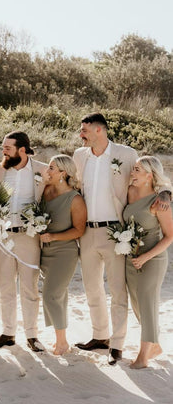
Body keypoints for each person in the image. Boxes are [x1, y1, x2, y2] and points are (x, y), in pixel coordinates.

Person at [73, 112, 170, 365]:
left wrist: (167, 192)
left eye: (84, 130)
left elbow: (151, 173)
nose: (80, 134)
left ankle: (117, 345)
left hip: (116, 232)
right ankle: (100, 337)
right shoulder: (79, 156)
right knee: (92, 287)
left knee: (117, 290)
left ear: (99, 130)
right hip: (86, 232)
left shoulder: (126, 155)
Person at [0, 131, 47, 352]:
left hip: (29, 237)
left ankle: (32, 335)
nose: (3, 151)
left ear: (22, 150)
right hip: (3, 236)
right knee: (4, 286)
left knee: (29, 287)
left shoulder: (42, 170)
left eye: (7, 148)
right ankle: (8, 332)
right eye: (2, 147)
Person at [124, 156, 173, 369]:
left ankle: (143, 356)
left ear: (149, 175)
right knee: (136, 302)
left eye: (136, 170)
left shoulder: (159, 202)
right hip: (131, 257)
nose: (132, 173)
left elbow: (170, 236)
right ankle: (154, 345)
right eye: (133, 168)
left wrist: (146, 256)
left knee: (146, 300)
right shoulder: (131, 192)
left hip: (153, 258)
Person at [39, 155, 87, 355]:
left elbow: (79, 230)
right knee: (58, 296)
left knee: (51, 295)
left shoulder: (75, 199)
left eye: (51, 168)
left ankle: (62, 342)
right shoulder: (46, 191)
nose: (47, 171)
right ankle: (60, 339)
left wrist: (53, 236)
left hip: (64, 253)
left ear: (63, 173)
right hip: (44, 252)